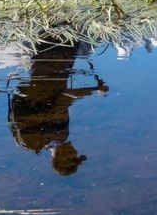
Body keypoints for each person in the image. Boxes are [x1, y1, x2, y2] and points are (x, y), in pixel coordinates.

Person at [8, 34, 108, 176]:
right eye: (75, 155)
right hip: (42, 72)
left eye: (71, 156)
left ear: (58, 158)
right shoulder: (42, 142)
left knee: (64, 32)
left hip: (55, 64)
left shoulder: (59, 135)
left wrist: (93, 89)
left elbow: (64, 99)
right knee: (51, 32)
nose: (74, 151)